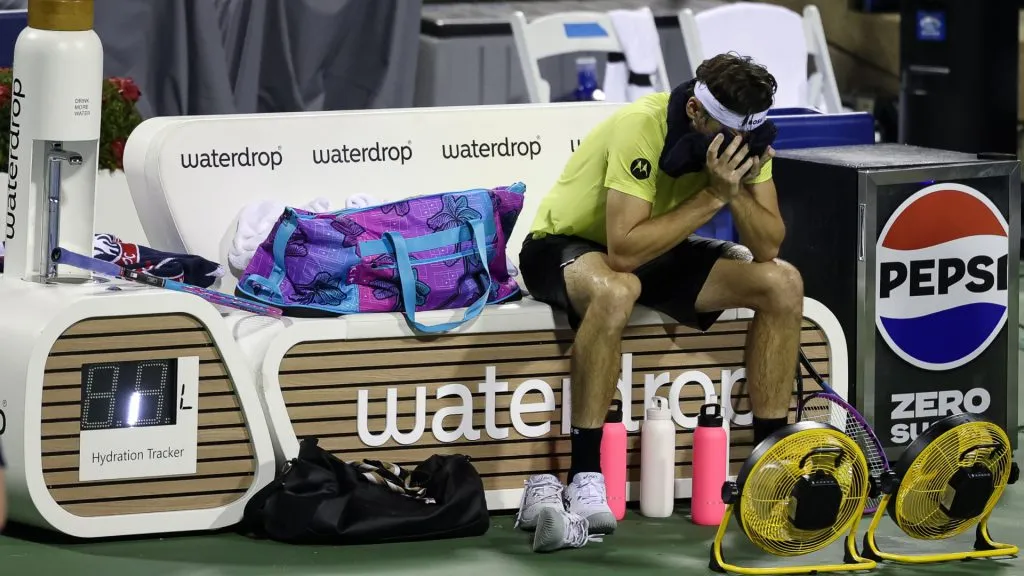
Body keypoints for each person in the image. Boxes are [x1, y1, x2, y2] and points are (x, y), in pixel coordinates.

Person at [514, 53, 803, 553]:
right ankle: (585, 477)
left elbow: (769, 246)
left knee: (783, 283)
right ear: (695, 110)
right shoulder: (639, 126)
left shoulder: (744, 141)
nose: (735, 145)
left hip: (659, 245)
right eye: (726, 132)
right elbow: (622, 251)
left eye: (745, 135)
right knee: (616, 289)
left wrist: (733, 192)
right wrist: (714, 197)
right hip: (566, 246)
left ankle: (767, 467)